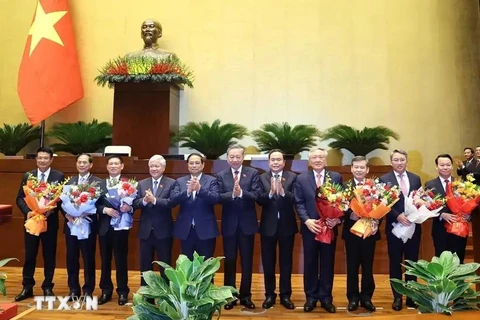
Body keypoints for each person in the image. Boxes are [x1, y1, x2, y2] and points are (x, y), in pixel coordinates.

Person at [294, 147, 342, 313]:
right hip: (310, 229)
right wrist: (306, 220)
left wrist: (337, 219)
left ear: (326, 160)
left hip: (329, 227)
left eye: (320, 157)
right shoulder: (300, 179)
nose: (317, 160)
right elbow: (298, 203)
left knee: (328, 263)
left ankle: (326, 298)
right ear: (309, 160)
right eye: (314, 157)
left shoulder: (335, 177)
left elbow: (342, 202)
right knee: (310, 263)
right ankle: (311, 297)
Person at [15, 147, 65, 301]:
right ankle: (27, 287)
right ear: (36, 159)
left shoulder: (59, 176)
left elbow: (61, 199)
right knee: (30, 255)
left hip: (49, 223)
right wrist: (28, 212)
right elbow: (19, 198)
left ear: (51, 160)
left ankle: (48, 287)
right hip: (32, 222)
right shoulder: (28, 176)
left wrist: (51, 210)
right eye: (39, 158)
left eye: (45, 158)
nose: (42, 160)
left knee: (49, 255)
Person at [217, 145, 262, 310]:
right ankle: (229, 296)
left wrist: (242, 193)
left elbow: (257, 195)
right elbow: (218, 197)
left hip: (247, 225)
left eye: (238, 156)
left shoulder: (253, 173)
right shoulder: (221, 175)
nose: (235, 159)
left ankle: (245, 296)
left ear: (243, 157)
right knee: (229, 262)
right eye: (232, 157)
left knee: (247, 262)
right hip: (229, 225)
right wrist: (232, 195)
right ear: (227, 158)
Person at [380, 149, 422, 311]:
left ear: (406, 161)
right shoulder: (384, 179)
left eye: (402, 160)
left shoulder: (415, 178)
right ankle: (397, 296)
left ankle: (412, 296)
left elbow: (419, 200)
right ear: (391, 162)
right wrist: (397, 216)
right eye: (396, 160)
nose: (399, 162)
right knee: (395, 263)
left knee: (412, 263)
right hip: (394, 227)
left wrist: (413, 216)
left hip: (413, 227)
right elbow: (382, 203)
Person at [257, 149, 297, 310]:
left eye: (278, 159)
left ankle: (286, 295)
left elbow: (296, 199)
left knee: (286, 262)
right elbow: (258, 200)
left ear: (284, 162)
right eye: (272, 160)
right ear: (268, 162)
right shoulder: (261, 178)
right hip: (268, 226)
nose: (275, 162)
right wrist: (270, 193)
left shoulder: (293, 177)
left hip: (287, 226)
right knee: (268, 262)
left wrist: (282, 192)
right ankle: (269, 294)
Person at [63, 153, 102, 300]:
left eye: (85, 162)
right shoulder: (69, 181)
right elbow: (62, 203)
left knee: (88, 258)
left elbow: (100, 204)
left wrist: (86, 212)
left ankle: (88, 290)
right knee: (71, 258)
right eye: (79, 162)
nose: (81, 165)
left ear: (91, 165)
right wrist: (68, 214)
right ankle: (73, 289)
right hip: (71, 224)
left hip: (88, 225)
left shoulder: (98, 182)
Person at [133, 155, 175, 285]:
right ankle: (147, 298)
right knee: (145, 266)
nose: (154, 168)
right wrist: (144, 201)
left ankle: (166, 297)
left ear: (163, 167)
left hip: (164, 231)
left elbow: (171, 202)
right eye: (151, 166)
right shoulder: (141, 183)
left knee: (165, 266)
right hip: (146, 231)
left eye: (157, 166)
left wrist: (155, 200)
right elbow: (134, 203)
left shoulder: (172, 183)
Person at [97, 155, 133, 305]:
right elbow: (94, 205)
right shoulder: (100, 184)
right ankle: (106, 291)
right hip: (104, 227)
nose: (113, 166)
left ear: (122, 166)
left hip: (121, 228)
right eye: (110, 164)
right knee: (105, 261)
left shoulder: (129, 184)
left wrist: (129, 207)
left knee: (121, 260)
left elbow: (135, 203)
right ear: (106, 167)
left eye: (116, 164)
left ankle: (123, 292)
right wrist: (105, 209)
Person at [342, 156, 377, 312]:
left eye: (362, 167)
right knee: (352, 266)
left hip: (370, 232)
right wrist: (350, 214)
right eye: (356, 167)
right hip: (352, 232)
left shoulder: (375, 187)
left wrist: (376, 222)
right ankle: (353, 298)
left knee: (368, 266)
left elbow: (383, 208)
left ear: (367, 170)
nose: (359, 170)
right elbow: (338, 209)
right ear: (351, 168)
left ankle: (366, 298)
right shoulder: (345, 186)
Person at [171, 153, 219, 259]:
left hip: (206, 229)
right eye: (191, 163)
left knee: (206, 265)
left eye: (197, 163)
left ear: (202, 165)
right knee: (187, 265)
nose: (194, 165)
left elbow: (215, 199)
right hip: (186, 230)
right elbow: (173, 200)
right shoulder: (180, 181)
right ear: (187, 165)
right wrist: (187, 192)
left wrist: (199, 190)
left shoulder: (212, 180)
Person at [426, 154, 469, 263]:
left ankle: (458, 281)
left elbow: (469, 202)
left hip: (459, 229)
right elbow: (426, 206)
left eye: (448, 165)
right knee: (442, 263)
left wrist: (468, 215)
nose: (445, 167)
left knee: (459, 261)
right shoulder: (429, 185)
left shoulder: (461, 184)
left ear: (452, 166)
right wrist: (441, 214)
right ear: (437, 167)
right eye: (442, 165)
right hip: (440, 230)